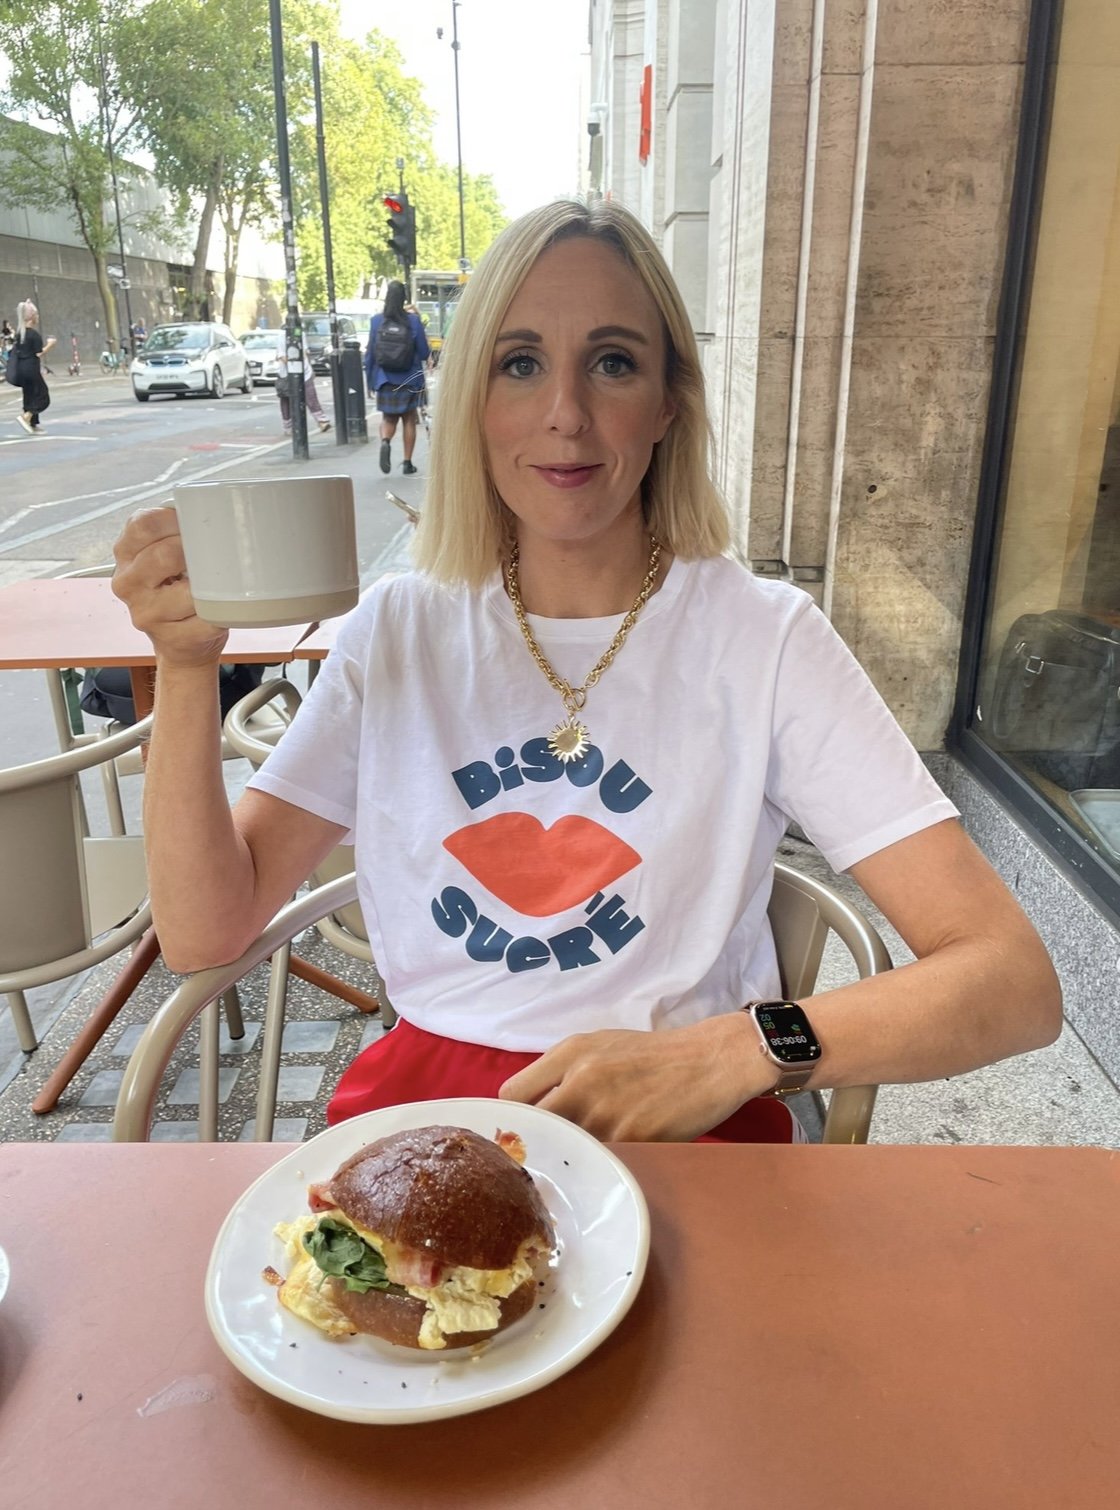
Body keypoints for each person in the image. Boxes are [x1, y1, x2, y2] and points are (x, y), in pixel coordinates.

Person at [111, 200, 1061, 1145]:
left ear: (668, 404)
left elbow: (1014, 983)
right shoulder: (397, 630)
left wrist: (738, 1051)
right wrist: (186, 667)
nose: (565, 415)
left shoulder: (766, 640)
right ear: (474, 402)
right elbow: (204, 931)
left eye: (612, 363)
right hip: (428, 1119)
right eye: (520, 364)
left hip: (687, 1116)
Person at [365, 281, 430, 475]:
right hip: (410, 378)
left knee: (388, 418)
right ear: (404, 298)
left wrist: (370, 381)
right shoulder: (413, 321)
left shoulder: (376, 321)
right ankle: (407, 462)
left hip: (385, 378)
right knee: (409, 419)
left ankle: (385, 441)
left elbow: (370, 354)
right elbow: (424, 352)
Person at [12, 301, 54, 435]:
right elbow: (39, 353)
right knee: (43, 395)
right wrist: (50, 344)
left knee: (29, 395)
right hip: (31, 368)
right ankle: (27, 416)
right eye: (36, 314)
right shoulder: (33, 335)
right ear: (31, 317)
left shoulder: (20, 334)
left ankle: (32, 424)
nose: (38, 317)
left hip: (21, 368)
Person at [275, 335, 331, 436]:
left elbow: (305, 352)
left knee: (311, 395)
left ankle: (322, 421)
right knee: (286, 399)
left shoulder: (301, 333)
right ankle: (288, 427)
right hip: (287, 374)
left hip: (304, 372)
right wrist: (294, 365)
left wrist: (309, 368)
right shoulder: (282, 335)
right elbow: (282, 356)